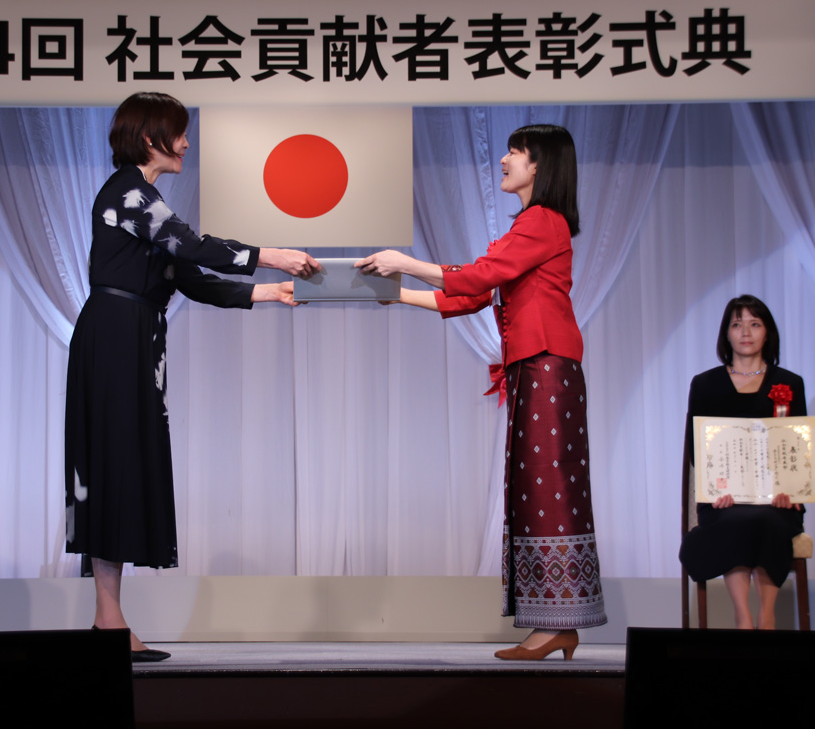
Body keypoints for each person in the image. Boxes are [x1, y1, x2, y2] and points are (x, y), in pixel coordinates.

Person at [66, 91, 318, 662]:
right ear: (149, 137)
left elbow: (189, 276)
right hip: (114, 339)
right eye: (178, 133)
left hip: (132, 338)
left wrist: (269, 292)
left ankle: (109, 620)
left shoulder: (145, 197)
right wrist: (272, 255)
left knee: (124, 468)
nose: (185, 143)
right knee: (112, 467)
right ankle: (108, 621)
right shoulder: (129, 193)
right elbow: (196, 248)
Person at [358, 124, 606, 660]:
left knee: (547, 487)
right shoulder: (531, 224)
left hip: (545, 364)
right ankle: (551, 622)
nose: (504, 159)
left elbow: (478, 277)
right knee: (534, 487)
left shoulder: (542, 220)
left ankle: (558, 622)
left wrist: (405, 263)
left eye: (515, 151)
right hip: (534, 366)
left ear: (539, 164)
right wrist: (400, 294)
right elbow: (472, 294)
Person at [678, 295, 806, 630]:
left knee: (766, 518)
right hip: (723, 498)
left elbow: (796, 444)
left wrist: (790, 490)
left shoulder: (789, 383)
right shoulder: (705, 384)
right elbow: (698, 447)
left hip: (776, 500)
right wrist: (714, 489)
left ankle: (767, 615)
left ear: (767, 332)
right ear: (726, 333)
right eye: (737, 324)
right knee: (735, 519)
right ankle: (743, 616)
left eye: (754, 323)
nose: (745, 332)